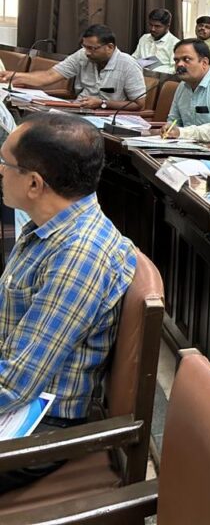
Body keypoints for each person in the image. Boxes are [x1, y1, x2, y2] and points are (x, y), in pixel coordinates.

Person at [0, 113, 136, 493]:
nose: (0, 172)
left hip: (38, 426)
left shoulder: (78, 254)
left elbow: (15, 383)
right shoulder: (52, 225)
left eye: (5, 163)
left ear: (34, 183)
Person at [0, 24, 145, 110]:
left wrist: (103, 103)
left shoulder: (128, 65)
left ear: (110, 47)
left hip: (108, 115)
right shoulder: (82, 55)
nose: (87, 52)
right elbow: (49, 76)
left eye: (92, 48)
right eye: (85, 47)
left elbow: (139, 104)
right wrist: (14, 76)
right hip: (78, 109)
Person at [131, 8, 179, 74]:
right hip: (138, 75)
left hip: (161, 78)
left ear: (167, 26)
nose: (152, 29)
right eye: (151, 25)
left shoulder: (175, 44)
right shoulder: (144, 38)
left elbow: (175, 69)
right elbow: (134, 59)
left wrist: (154, 71)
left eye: (157, 26)